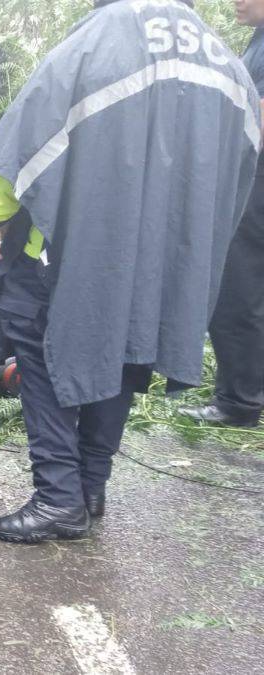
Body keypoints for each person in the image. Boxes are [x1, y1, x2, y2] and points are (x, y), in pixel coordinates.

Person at [0, 0, 260, 544]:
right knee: (125, 352)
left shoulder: (99, 38)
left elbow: (28, 137)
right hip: (166, 258)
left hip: (72, 248)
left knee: (39, 346)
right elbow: (244, 165)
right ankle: (89, 486)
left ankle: (58, 498)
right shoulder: (224, 59)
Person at [180, 0, 264, 427]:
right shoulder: (257, 40)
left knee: (237, 290)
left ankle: (239, 402)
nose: (238, 0)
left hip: (254, 187)